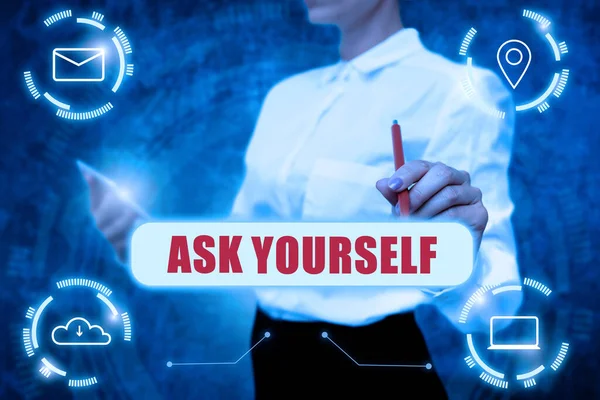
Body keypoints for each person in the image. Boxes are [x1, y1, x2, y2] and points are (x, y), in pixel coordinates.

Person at [82, 0, 521, 398]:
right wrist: (152, 242)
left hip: (372, 365)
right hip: (271, 351)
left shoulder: (461, 92)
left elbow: (497, 300)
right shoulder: (285, 98)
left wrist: (445, 254)